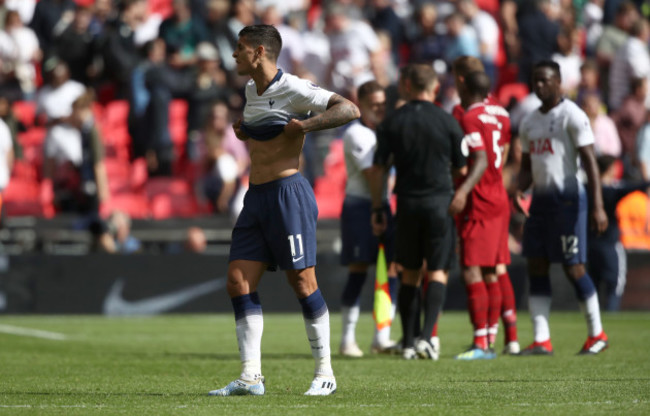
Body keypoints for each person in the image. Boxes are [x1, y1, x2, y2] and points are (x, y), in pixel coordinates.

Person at [208, 24, 359, 397]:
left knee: (302, 282)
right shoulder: (249, 89)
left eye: (240, 48)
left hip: (287, 195)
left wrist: (306, 124)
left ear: (259, 52)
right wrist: (245, 132)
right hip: (255, 196)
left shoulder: (293, 86)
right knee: (237, 281)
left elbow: (349, 108)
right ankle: (250, 377)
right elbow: (266, 133)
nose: (234, 55)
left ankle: (325, 372)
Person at [370, 64, 466, 360]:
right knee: (437, 271)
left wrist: (377, 207)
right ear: (435, 88)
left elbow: (378, 168)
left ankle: (409, 342)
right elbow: (461, 166)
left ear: (406, 85)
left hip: (408, 204)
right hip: (440, 203)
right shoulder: (448, 121)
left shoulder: (392, 122)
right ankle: (427, 338)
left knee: (409, 272)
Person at [515, 60, 609, 355]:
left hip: (570, 202)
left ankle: (597, 334)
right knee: (536, 264)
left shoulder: (572, 115)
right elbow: (528, 166)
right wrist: (520, 187)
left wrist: (598, 207)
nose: (539, 85)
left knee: (573, 267)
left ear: (559, 82)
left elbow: (591, 163)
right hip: (540, 204)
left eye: (545, 80)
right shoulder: (529, 122)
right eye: (535, 80)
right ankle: (542, 339)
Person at [451, 56, 520, 357]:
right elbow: (501, 155)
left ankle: (481, 343)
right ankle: (498, 338)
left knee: (472, 269)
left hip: (478, 199)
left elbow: (476, 159)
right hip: (498, 195)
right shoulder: (503, 114)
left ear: (462, 82)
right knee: (495, 270)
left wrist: (463, 189)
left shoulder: (466, 115)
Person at [338, 80, 398, 358]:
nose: (379, 109)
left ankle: (382, 337)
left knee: (391, 271)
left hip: (381, 205)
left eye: (382, 104)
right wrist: (377, 209)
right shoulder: (356, 133)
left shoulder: (384, 132)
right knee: (359, 270)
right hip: (361, 207)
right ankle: (347, 339)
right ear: (360, 104)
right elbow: (372, 173)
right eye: (374, 104)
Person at [588, 155, 650, 311]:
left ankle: (593, 323)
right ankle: (609, 316)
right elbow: (637, 186)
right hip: (609, 245)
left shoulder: (587, 189)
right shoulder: (610, 192)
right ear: (611, 169)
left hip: (590, 245)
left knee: (592, 288)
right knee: (614, 286)